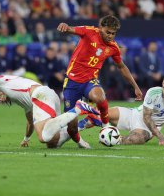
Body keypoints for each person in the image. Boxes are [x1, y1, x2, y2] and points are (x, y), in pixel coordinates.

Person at [56, 15, 142, 145]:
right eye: (108, 32)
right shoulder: (89, 32)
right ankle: (80, 141)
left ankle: (106, 126)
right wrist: (65, 26)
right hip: (72, 82)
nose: (110, 36)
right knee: (72, 126)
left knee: (100, 96)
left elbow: (122, 67)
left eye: (113, 33)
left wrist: (135, 87)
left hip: (89, 81)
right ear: (101, 28)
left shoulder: (113, 48)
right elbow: (71, 29)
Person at [80, 76, 164, 145]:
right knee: (102, 113)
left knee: (137, 139)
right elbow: (146, 116)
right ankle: (73, 129)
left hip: (148, 129)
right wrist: (162, 138)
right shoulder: (153, 92)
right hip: (133, 115)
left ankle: (113, 140)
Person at [0, 75, 99, 148]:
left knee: (43, 137)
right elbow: (30, 122)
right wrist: (26, 139)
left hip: (40, 95)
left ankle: (78, 108)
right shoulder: (21, 100)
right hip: (48, 95)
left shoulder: (3, 82)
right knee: (53, 143)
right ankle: (84, 124)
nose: (0, 100)